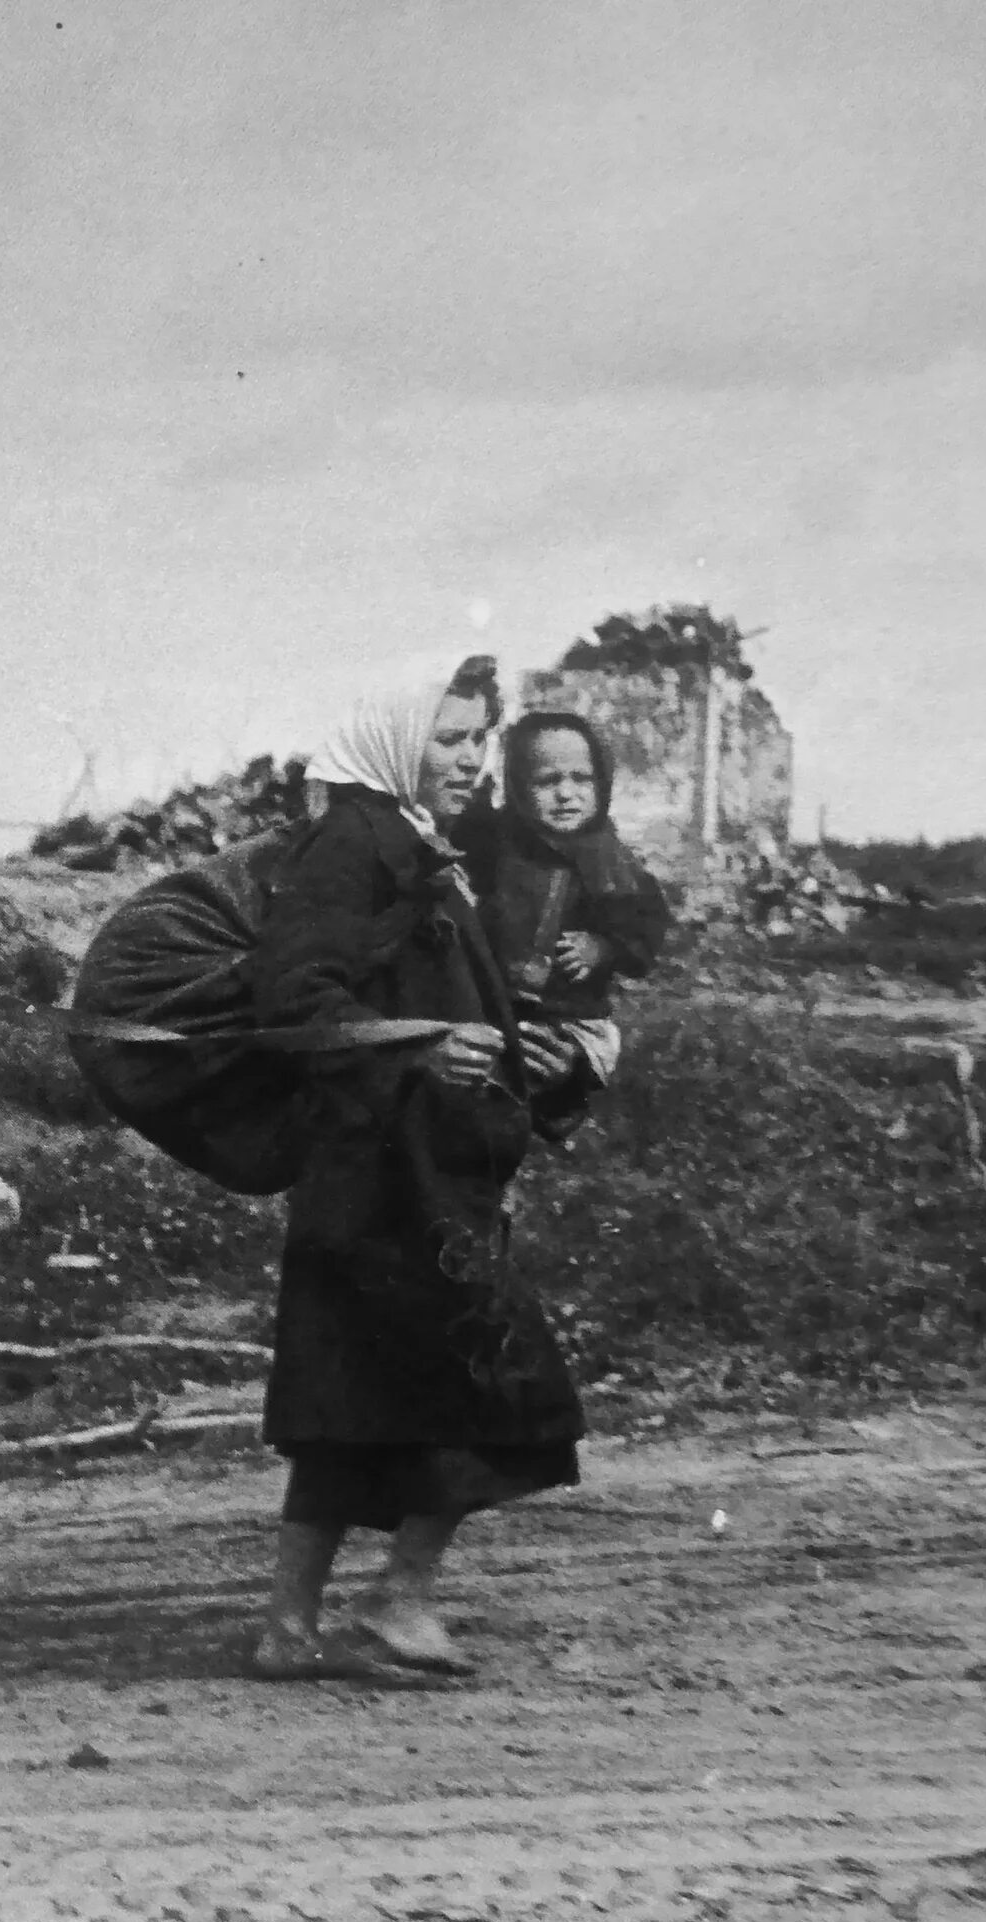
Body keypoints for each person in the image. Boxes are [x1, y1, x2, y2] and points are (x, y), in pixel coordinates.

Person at [244, 670, 596, 1681]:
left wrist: (538, 1055)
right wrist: (418, 1054)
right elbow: (296, 997)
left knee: (350, 1411)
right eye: (449, 738)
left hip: (397, 1179)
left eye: (479, 738)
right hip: (388, 1181)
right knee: (496, 1384)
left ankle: (288, 1628)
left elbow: (435, 988)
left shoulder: (403, 841)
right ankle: (397, 1603)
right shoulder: (354, 846)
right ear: (399, 738)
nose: (472, 757)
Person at [452, 709, 671, 1078]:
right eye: (547, 781)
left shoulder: (611, 859)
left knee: (571, 1062)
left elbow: (644, 928)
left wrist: (603, 948)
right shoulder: (498, 844)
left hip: (571, 1015)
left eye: (581, 779)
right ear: (519, 787)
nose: (566, 794)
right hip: (496, 1007)